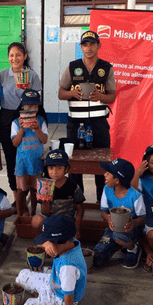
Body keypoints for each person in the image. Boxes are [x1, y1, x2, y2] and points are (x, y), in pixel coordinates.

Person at [58, 30, 117, 202]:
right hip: (75, 124)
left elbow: (112, 96)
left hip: (99, 124)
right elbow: (61, 93)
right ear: (81, 47)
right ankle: (78, 202)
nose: (89, 48)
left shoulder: (106, 68)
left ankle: (102, 201)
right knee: (75, 166)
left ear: (99, 45)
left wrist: (101, 97)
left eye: (92, 44)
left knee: (102, 164)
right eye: (85, 44)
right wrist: (72, 93)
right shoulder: (72, 66)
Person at [15, 214, 87, 305]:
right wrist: (46, 244)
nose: (46, 244)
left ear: (59, 242)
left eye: (48, 241)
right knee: (22, 276)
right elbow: (40, 244)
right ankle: (41, 293)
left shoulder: (68, 266)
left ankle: (42, 296)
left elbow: (68, 296)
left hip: (61, 298)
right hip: (54, 281)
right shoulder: (70, 241)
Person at [0, 42, 42, 200]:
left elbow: (37, 99)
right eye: (11, 55)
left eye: (18, 55)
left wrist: (26, 90)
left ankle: (31, 194)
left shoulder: (32, 75)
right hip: (7, 118)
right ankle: (17, 198)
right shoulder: (3, 75)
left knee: (29, 155)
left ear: (25, 56)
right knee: (11, 158)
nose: (14, 58)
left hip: (27, 115)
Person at [93, 158, 145, 269]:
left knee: (118, 237)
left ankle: (133, 248)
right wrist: (107, 217)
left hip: (131, 230)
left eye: (108, 173)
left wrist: (133, 223)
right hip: (112, 228)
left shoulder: (135, 196)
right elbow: (103, 211)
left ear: (117, 180)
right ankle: (119, 246)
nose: (105, 174)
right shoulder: (107, 190)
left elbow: (143, 218)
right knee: (97, 257)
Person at [31, 149, 85, 241]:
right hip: (51, 220)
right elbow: (46, 213)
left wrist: (77, 229)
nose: (54, 171)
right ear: (46, 169)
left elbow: (80, 209)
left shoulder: (73, 186)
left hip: (66, 221)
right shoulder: (44, 186)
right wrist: (46, 201)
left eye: (59, 168)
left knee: (65, 245)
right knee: (36, 220)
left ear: (66, 169)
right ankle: (44, 240)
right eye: (51, 168)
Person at [11, 90, 48, 216]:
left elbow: (44, 140)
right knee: (21, 190)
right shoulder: (16, 122)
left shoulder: (41, 121)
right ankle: (20, 215)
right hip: (22, 163)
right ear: (22, 106)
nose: (33, 109)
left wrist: (37, 129)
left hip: (37, 161)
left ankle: (33, 213)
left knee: (34, 189)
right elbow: (15, 143)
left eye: (36, 106)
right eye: (29, 106)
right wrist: (21, 129)